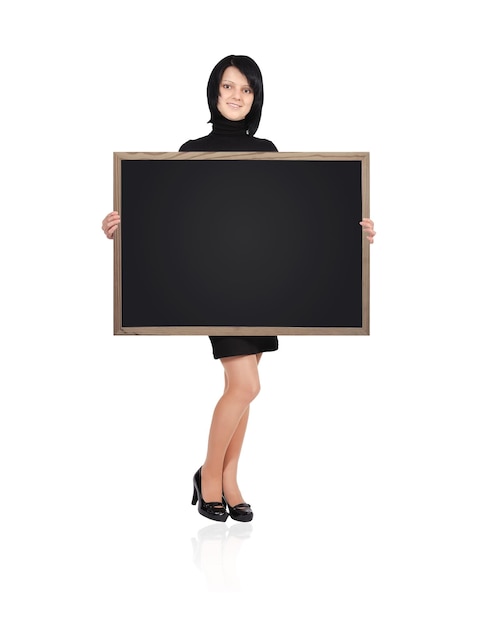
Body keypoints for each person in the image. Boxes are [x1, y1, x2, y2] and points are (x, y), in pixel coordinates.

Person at [102, 54, 376, 523]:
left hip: (259, 284)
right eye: (228, 86)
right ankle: (209, 476)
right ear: (214, 91)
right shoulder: (191, 149)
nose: (235, 95)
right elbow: (171, 219)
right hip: (214, 286)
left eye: (246, 89)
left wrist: (353, 231)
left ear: (255, 98)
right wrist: (122, 225)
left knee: (243, 387)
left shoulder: (266, 149)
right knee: (246, 384)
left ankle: (229, 480)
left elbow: (290, 219)